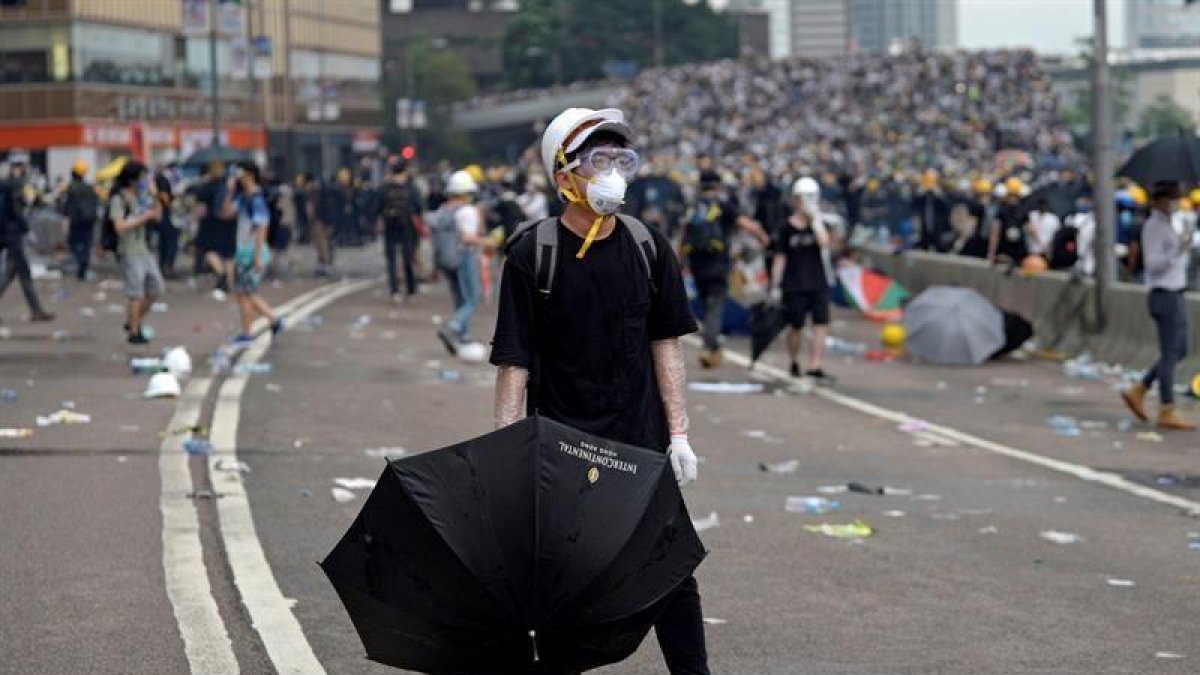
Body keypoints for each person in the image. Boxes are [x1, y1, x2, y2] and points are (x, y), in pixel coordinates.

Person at [491, 107, 710, 675]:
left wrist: (679, 433)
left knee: (672, 574)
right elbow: (513, 361)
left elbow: (667, 343)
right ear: (565, 177)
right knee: (570, 581)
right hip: (564, 450)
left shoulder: (647, 246)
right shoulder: (530, 254)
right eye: (598, 160)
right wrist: (505, 452)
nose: (614, 172)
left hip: (641, 443)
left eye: (622, 159)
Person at [1121, 183, 1194, 431]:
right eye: (1172, 199)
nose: (1175, 203)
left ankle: (1140, 389)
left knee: (1179, 349)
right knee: (1170, 352)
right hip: (1163, 294)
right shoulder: (1154, 227)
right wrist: (1177, 250)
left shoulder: (1169, 225)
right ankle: (1166, 407)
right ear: (1159, 201)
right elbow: (1153, 264)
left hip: (1174, 292)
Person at [681, 169, 768, 369]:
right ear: (718, 186)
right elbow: (746, 224)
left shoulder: (693, 208)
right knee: (716, 305)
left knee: (704, 303)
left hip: (697, 263)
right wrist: (763, 237)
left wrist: (678, 260)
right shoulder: (722, 206)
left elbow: (684, 234)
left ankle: (709, 341)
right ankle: (710, 344)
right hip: (718, 263)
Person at [771, 178, 834, 382]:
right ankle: (794, 360)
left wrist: (815, 220)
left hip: (817, 281)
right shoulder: (786, 228)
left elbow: (825, 243)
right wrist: (775, 285)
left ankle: (815, 365)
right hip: (794, 283)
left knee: (821, 324)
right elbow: (780, 257)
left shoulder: (819, 224)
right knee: (795, 326)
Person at [220, 162, 284, 346]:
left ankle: (248, 333)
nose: (236, 175)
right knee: (246, 293)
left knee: (244, 293)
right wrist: (229, 191)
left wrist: (257, 256)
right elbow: (226, 213)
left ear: (249, 175)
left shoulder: (256, 199)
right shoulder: (243, 197)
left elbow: (262, 226)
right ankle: (274, 320)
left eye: (240, 171)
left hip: (251, 253)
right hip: (244, 252)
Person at [432, 169, 490, 353]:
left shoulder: (443, 210)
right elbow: (468, 238)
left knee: (459, 297)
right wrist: (489, 242)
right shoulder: (467, 211)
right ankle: (453, 326)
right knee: (472, 298)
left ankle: (462, 336)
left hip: (445, 259)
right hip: (463, 256)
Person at [110, 161, 163, 344]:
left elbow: (157, 216)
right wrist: (142, 218)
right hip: (128, 249)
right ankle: (134, 332)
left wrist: (155, 195)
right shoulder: (119, 199)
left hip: (143, 248)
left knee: (156, 288)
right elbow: (119, 226)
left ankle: (133, 320)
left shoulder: (142, 197)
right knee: (136, 292)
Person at [0, 153, 54, 322]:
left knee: (12, 272)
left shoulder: (4, 184)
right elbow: (16, 210)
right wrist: (25, 227)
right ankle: (37, 311)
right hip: (13, 233)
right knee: (23, 272)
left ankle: (37, 309)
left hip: (4, 231)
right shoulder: (15, 185)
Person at [379, 159, 423, 302]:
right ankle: (410, 289)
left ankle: (394, 290)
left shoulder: (385, 187)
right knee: (408, 258)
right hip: (407, 226)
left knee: (391, 260)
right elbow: (419, 206)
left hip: (390, 225)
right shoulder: (411, 187)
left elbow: (376, 205)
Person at [191, 162, 236, 292]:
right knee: (228, 255)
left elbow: (200, 210)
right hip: (228, 224)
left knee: (209, 252)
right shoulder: (228, 187)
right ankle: (230, 284)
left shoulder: (205, 188)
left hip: (209, 226)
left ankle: (221, 273)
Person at [62, 159, 100, 281]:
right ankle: (82, 269)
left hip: (76, 222)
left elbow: (68, 207)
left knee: (75, 244)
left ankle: (81, 264)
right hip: (89, 221)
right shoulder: (90, 187)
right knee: (86, 245)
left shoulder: (71, 187)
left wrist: (66, 223)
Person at [988, 180, 1029, 264]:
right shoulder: (1002, 210)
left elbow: (1028, 230)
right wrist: (991, 252)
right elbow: (995, 232)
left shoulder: (1023, 210)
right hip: (1005, 249)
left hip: (1018, 250)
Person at [154, 166, 180, 278]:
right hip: (167, 216)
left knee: (163, 243)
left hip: (162, 216)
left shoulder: (156, 180)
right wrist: (171, 204)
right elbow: (164, 197)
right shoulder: (163, 180)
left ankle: (163, 266)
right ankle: (167, 267)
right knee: (171, 243)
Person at [1025, 198, 1060, 262]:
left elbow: (1056, 234)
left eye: (1044, 205)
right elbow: (1028, 228)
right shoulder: (1032, 215)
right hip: (1032, 250)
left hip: (1047, 250)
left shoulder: (1053, 219)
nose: (1042, 207)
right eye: (1041, 205)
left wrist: (1047, 246)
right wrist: (1039, 241)